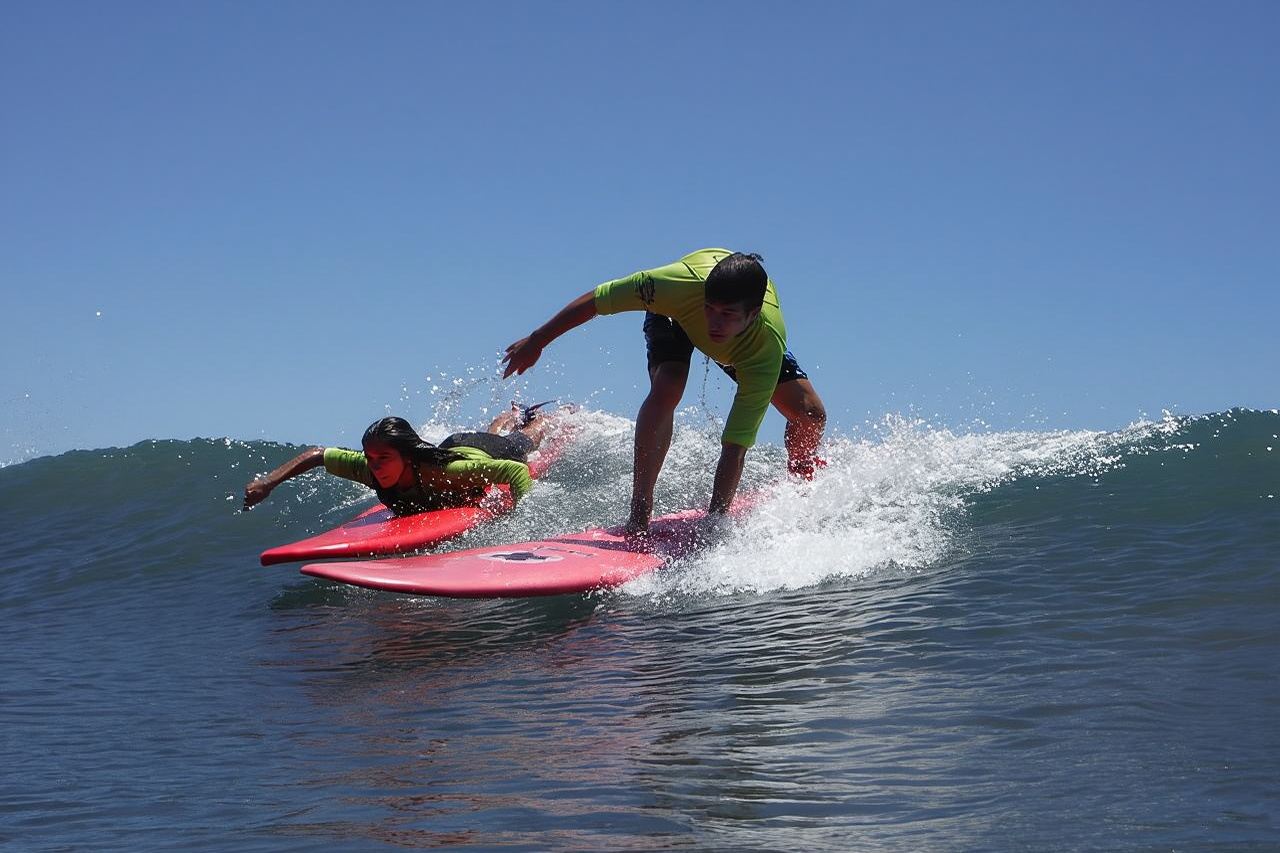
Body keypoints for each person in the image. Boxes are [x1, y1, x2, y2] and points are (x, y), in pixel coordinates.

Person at [502, 248, 825, 533]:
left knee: (810, 414)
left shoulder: (764, 348)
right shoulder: (672, 286)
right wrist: (538, 340)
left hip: (741, 348)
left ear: (752, 315)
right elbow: (599, 299)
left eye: (726, 315)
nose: (713, 322)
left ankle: (798, 483)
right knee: (669, 385)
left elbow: (735, 446)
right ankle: (640, 511)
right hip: (677, 316)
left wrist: (714, 525)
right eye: (710, 309)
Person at [242, 404, 555, 515]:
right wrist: (268, 483)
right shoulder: (372, 470)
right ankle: (509, 415)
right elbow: (318, 456)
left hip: (480, 452)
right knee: (490, 434)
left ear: (406, 457)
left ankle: (545, 417)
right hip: (456, 443)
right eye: (370, 457)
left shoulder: (449, 471)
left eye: (384, 457)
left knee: (522, 442)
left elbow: (515, 471)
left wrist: (519, 513)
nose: (375, 465)